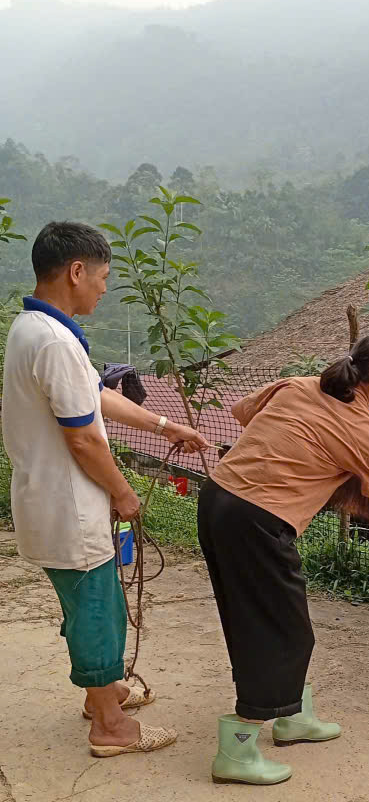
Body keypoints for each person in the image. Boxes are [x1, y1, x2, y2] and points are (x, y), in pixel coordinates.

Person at [1, 221, 209, 756]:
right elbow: (86, 441)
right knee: (96, 606)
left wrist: (165, 427)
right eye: (102, 276)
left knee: (92, 603)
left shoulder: (37, 330)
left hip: (45, 498)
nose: (103, 288)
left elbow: (96, 397)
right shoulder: (54, 342)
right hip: (70, 504)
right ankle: (110, 726)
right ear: (76, 271)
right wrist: (122, 492)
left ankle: (104, 694)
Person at [198, 335, 369, 785]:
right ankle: (238, 749)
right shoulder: (366, 433)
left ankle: (293, 717)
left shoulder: (297, 385)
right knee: (283, 632)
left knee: (271, 620)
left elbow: (242, 413)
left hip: (217, 498)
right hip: (257, 520)